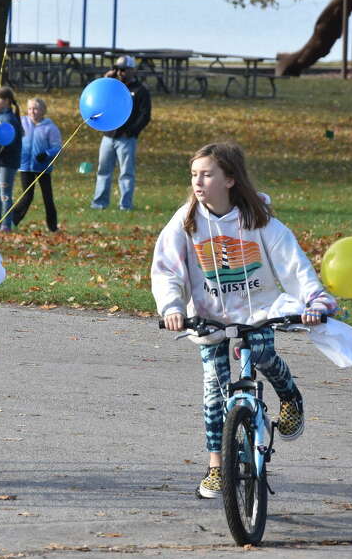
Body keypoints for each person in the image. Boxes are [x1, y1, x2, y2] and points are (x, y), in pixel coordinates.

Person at [150, 141, 336, 499]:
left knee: (264, 353)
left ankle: (290, 397)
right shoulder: (186, 221)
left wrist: (315, 300)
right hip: (208, 317)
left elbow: (293, 263)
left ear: (230, 179)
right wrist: (172, 308)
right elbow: (167, 270)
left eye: (207, 174)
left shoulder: (258, 220)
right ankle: (217, 466)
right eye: (193, 175)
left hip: (256, 310)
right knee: (213, 392)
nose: (198, 182)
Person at [91, 56, 151, 211]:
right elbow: (98, 96)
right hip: (108, 136)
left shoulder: (140, 90)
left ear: (132, 70)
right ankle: (99, 203)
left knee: (126, 173)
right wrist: (106, 80)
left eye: (123, 69)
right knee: (103, 170)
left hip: (126, 138)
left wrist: (131, 132)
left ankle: (125, 204)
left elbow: (145, 115)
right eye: (118, 69)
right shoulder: (113, 87)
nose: (120, 72)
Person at [13, 96, 62, 232]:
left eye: (35, 109)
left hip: (43, 167)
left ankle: (52, 227)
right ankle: (12, 221)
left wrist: (46, 154)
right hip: (24, 166)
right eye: (29, 108)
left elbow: (57, 147)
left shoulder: (50, 128)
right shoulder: (22, 122)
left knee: (48, 197)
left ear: (43, 110)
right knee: (27, 196)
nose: (32, 111)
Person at [0, 86, 24, 231]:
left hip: (7, 163)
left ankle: (5, 225)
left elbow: (5, 143)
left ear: (7, 101)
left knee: (5, 194)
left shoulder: (10, 120)